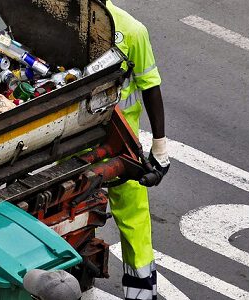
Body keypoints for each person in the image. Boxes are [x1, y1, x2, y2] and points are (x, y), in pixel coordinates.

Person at [105, 1, 169, 300]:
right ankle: (141, 294)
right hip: (115, 143)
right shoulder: (129, 29)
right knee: (134, 220)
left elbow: (150, 85)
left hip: (114, 142)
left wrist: (159, 145)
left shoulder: (132, 31)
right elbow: (150, 86)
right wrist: (160, 148)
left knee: (134, 219)